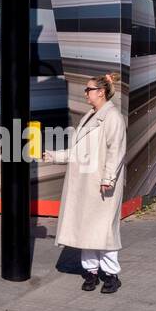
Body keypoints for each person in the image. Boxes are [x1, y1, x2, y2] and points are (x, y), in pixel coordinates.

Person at [42, 72, 127, 293]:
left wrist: (108, 179)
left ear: (101, 92)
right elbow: (78, 151)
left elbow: (116, 151)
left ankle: (110, 275)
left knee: (104, 231)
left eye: (88, 90)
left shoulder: (113, 117)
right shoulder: (90, 116)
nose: (85, 93)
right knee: (85, 229)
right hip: (84, 183)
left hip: (101, 183)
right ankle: (90, 273)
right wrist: (52, 156)